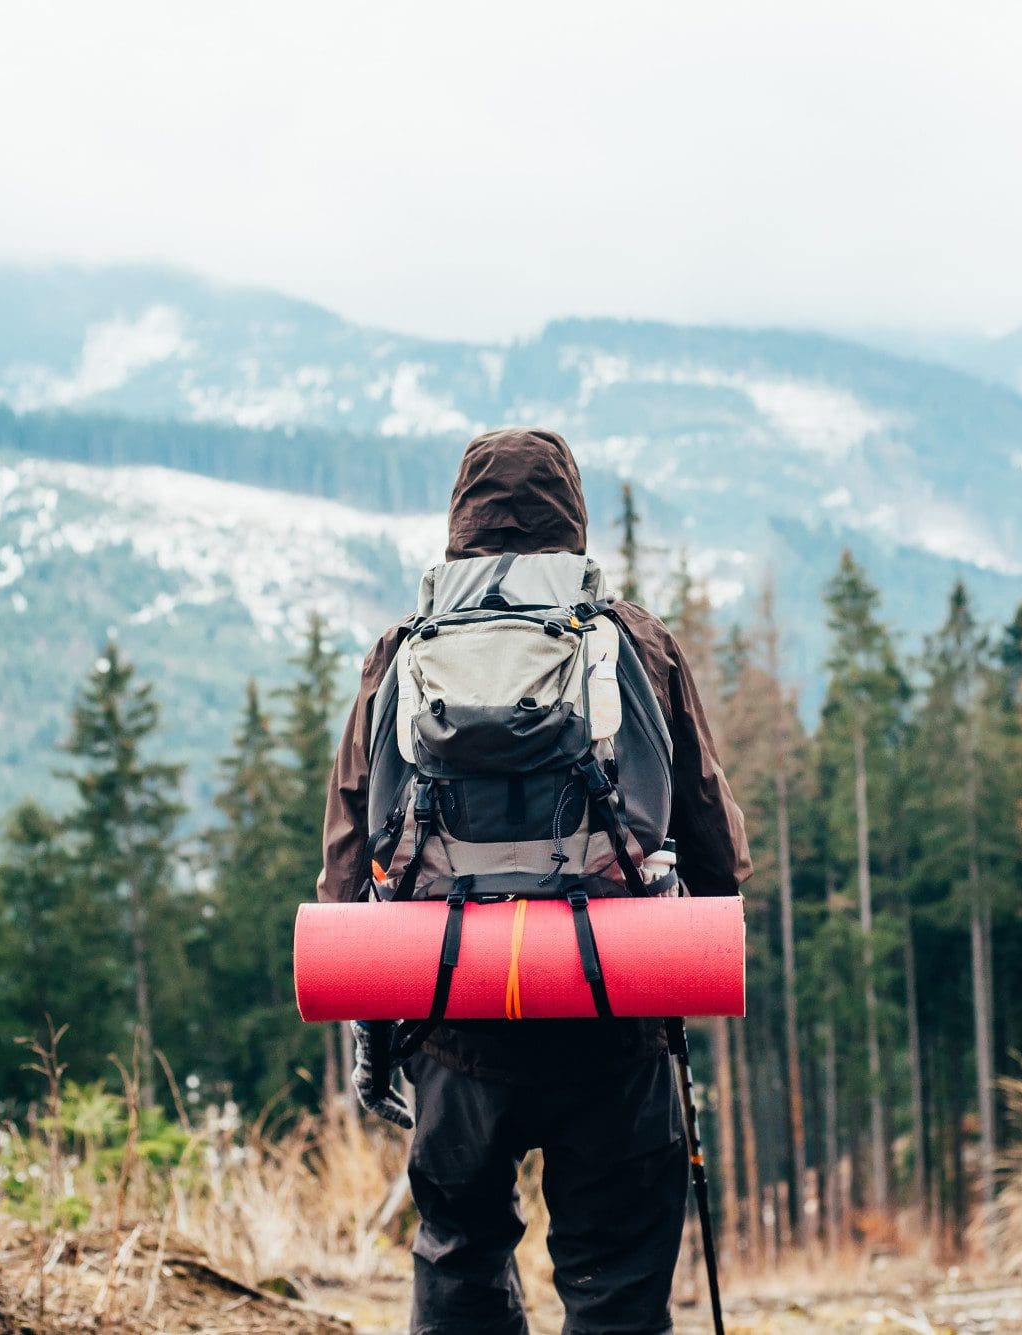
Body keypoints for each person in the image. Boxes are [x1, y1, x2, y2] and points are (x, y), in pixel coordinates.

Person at [318, 426, 752, 1335]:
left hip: (452, 1014)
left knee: (461, 1248)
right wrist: (683, 948)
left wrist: (376, 1027)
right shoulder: (632, 639)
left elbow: (350, 858)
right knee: (617, 1272)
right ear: (573, 520)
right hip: (613, 1011)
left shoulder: (403, 649)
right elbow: (713, 840)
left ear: (459, 525)